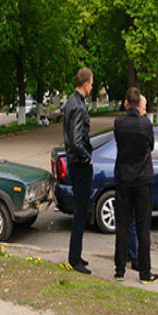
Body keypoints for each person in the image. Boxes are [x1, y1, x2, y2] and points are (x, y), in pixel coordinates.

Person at [113, 87, 157, 283]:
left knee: (122, 225)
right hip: (142, 179)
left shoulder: (118, 123)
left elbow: (119, 144)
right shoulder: (145, 124)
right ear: (139, 103)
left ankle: (120, 269)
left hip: (123, 179)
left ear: (125, 102)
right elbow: (151, 146)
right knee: (143, 227)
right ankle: (145, 273)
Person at [63, 68, 94, 274]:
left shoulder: (71, 103)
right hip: (80, 164)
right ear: (85, 84)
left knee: (80, 211)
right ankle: (74, 258)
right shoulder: (79, 107)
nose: (92, 87)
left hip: (75, 162)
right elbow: (76, 140)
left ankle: (77, 254)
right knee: (81, 212)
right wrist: (87, 158)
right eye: (91, 84)